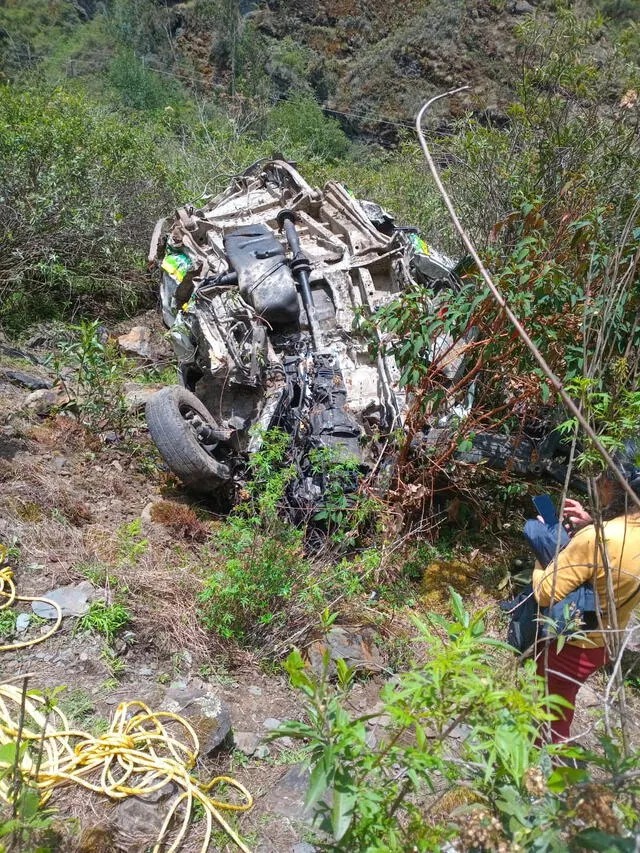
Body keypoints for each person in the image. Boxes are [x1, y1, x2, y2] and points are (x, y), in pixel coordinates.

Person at [528, 463, 640, 743]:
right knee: (560, 701)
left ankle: (546, 776)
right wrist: (590, 523)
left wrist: (541, 548)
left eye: (601, 477)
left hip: (571, 644)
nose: (598, 481)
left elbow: (545, 592)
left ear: (612, 486)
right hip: (605, 641)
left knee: (551, 717)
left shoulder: (597, 539)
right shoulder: (610, 534)